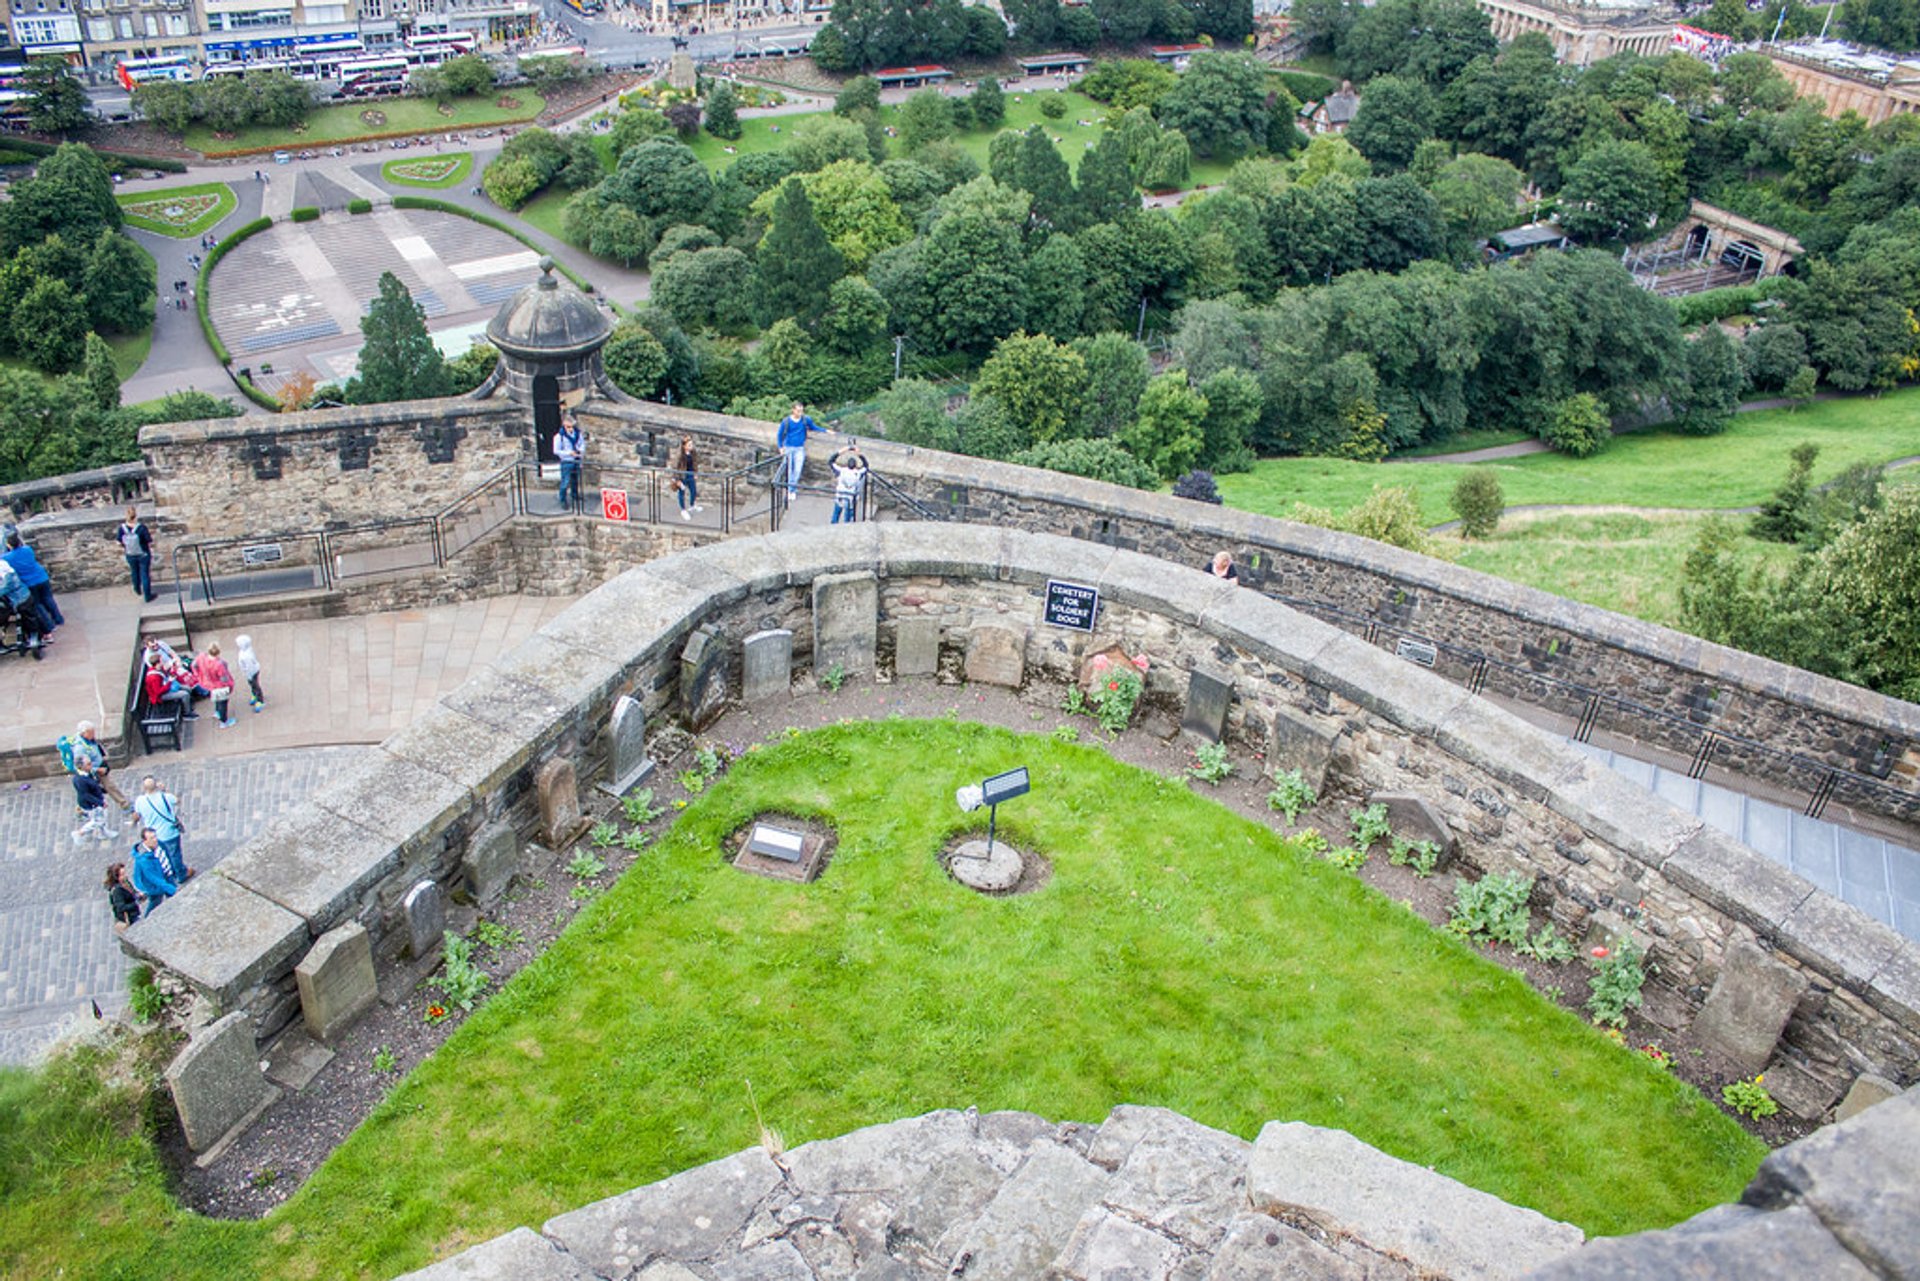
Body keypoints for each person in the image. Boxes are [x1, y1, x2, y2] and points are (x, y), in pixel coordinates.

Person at [3, 532, 61, 632]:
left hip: (29, 582)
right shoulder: (28, 550)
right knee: (48, 598)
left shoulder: (6, 558)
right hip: (42, 577)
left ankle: (50, 626)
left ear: (9, 545)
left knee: (37, 604)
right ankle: (58, 619)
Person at [69, 721, 131, 809]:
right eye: (91, 732)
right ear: (84, 733)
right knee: (108, 786)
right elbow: (83, 765)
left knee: (93, 789)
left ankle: (80, 808)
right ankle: (124, 804)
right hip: (96, 770)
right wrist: (97, 770)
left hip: (99, 765)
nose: (94, 734)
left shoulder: (88, 739)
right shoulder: (80, 748)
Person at [129, 828, 190, 910]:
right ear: (145, 841)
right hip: (154, 885)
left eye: (155, 836)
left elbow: (168, 856)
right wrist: (172, 889)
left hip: (167, 875)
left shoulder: (159, 844)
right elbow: (155, 879)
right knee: (155, 901)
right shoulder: (144, 860)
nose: (155, 840)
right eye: (152, 838)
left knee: (171, 898)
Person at [134, 775, 187, 869]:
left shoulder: (140, 801)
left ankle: (168, 871)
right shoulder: (166, 797)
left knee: (162, 855)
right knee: (175, 854)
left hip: (154, 836)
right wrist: (164, 790)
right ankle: (180, 873)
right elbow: (177, 801)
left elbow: (137, 815)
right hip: (170, 832)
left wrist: (133, 822)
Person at [775, 401, 823, 501]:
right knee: (789, 470)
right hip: (788, 447)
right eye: (798, 411)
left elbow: (813, 427)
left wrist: (826, 431)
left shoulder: (806, 419)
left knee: (797, 470)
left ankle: (792, 490)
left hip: (799, 448)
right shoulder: (786, 421)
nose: (800, 413)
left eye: (801, 411)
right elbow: (779, 435)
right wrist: (780, 447)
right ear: (793, 410)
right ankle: (790, 490)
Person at [191, 640, 239, 727]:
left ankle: (217, 712)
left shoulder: (201, 657)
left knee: (216, 699)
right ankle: (224, 721)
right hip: (219, 686)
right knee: (223, 703)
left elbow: (194, 665)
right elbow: (224, 679)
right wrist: (230, 686)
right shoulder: (218, 664)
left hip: (207, 684)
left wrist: (198, 676)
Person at [71, 758, 117, 845]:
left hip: (96, 798)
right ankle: (80, 833)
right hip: (91, 804)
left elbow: (94, 784)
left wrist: (102, 791)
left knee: (102, 817)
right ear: (82, 767)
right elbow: (86, 795)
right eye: (88, 764)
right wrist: (100, 803)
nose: (91, 765)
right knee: (98, 820)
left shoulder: (88, 773)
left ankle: (102, 833)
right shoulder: (80, 780)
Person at [113, 506, 153, 602]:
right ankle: (147, 596)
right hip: (143, 554)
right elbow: (149, 540)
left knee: (134, 572)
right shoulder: (141, 528)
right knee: (144, 574)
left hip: (130, 554)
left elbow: (118, 542)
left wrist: (126, 545)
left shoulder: (122, 528)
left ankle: (137, 589)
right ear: (136, 515)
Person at [143, 653, 199, 719]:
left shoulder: (158, 669)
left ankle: (187, 705)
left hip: (166, 687)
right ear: (158, 663)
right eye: (162, 661)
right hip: (160, 696)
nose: (163, 662)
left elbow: (166, 676)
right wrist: (169, 681)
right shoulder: (154, 677)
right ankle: (186, 713)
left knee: (187, 688)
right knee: (184, 694)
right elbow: (158, 692)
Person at [829, 442, 868, 525]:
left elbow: (831, 461)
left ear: (847, 464)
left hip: (840, 494)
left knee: (837, 512)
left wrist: (842, 451)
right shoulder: (858, 473)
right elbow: (866, 466)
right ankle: (847, 527)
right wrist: (859, 454)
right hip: (851, 496)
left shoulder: (841, 471)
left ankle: (833, 525)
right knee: (849, 515)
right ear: (855, 465)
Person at [553, 411, 585, 511]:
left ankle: (574, 495)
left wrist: (580, 451)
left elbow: (582, 444)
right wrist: (569, 453)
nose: (570, 429)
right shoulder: (559, 437)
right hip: (566, 461)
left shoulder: (578, 434)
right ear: (564, 426)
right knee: (565, 481)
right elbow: (556, 451)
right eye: (568, 427)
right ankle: (562, 499)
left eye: (571, 427)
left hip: (576, 460)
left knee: (575, 479)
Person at [105, 861, 141, 933]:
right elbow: (121, 907)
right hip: (129, 918)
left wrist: (138, 895)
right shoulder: (117, 891)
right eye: (122, 874)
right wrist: (135, 903)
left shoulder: (125, 882)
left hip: (134, 913)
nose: (125, 876)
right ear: (116, 877)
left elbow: (132, 891)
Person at [671, 434, 701, 519]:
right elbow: (675, 467)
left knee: (693, 491)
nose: (691, 446)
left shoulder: (693, 452)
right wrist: (677, 480)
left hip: (690, 474)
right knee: (682, 493)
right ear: (684, 446)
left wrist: (695, 473)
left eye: (691, 444)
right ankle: (683, 510)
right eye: (689, 445)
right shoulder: (679, 455)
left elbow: (695, 463)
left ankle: (692, 505)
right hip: (682, 476)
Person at [235, 633, 265, 711]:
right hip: (250, 672)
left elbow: (250, 666)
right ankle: (254, 694)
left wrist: (249, 674)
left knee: (255, 685)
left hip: (251, 672)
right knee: (252, 684)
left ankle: (260, 700)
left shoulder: (246, 655)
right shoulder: (245, 651)